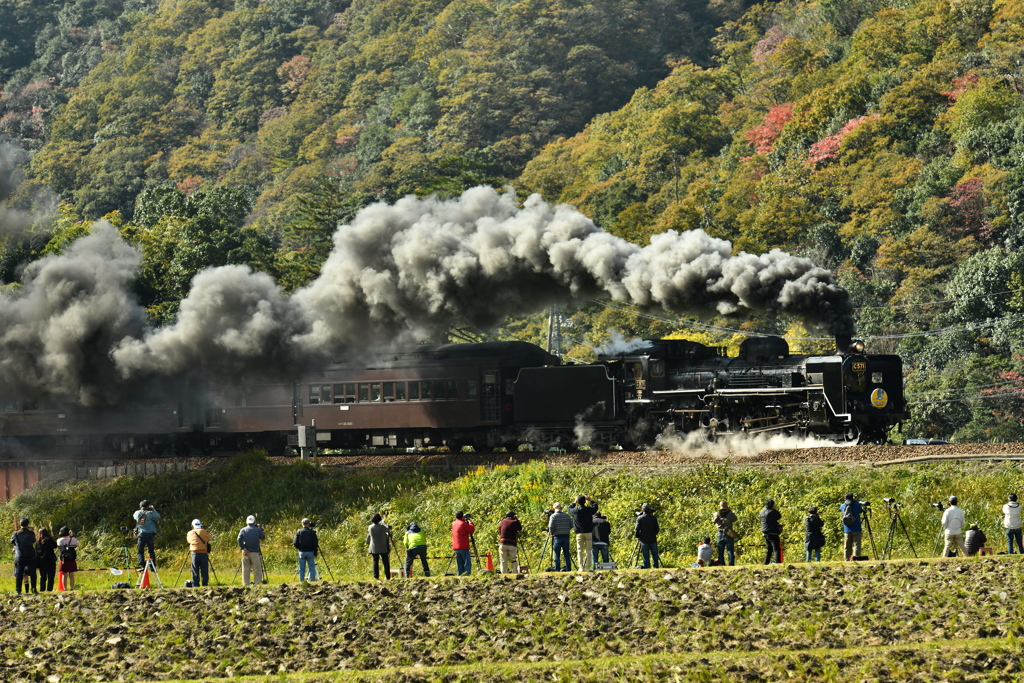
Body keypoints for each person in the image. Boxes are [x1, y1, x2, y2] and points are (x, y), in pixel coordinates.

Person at [568, 495, 598, 571]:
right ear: (585, 502)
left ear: (578, 502)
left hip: (579, 533)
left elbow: (569, 508)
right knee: (589, 550)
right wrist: (591, 500)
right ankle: (588, 567)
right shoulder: (588, 510)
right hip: (588, 532)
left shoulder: (575, 511)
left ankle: (581, 567)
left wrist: (574, 502)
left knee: (580, 550)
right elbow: (595, 507)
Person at [237, 515, 265, 586]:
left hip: (245, 552)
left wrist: (243, 548)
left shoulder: (243, 530)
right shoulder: (257, 530)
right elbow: (263, 537)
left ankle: (246, 584)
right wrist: (259, 528)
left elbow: (239, 539)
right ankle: (258, 584)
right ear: (254, 522)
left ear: (247, 522)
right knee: (257, 569)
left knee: (245, 569)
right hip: (255, 552)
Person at [11, 518, 37, 594]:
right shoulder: (31, 533)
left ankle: (18, 590)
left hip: (20, 555)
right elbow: (33, 541)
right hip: (30, 554)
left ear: (20, 524)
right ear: (28, 524)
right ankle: (34, 589)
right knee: (32, 573)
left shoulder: (16, 533)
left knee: (19, 573)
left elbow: (12, 541)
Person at [133, 499, 161, 570]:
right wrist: (153, 509)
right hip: (150, 534)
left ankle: (142, 565)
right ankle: (153, 566)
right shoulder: (150, 513)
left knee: (140, 551)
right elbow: (158, 517)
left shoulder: (137, 513)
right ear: (148, 506)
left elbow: (135, 517)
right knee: (151, 551)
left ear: (140, 506)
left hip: (141, 534)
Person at [547, 503, 573, 572]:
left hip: (557, 536)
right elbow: (571, 525)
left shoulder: (553, 516)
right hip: (566, 536)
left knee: (557, 554)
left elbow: (551, 527)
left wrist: (552, 533)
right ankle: (568, 568)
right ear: (561, 508)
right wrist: (566, 530)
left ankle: (557, 569)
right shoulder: (567, 515)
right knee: (566, 554)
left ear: (554, 509)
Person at [187, 519, 212, 587]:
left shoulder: (189, 533)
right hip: (203, 553)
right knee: (204, 570)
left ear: (192, 526)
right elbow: (209, 538)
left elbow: (189, 541)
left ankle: (195, 585)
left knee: (195, 570)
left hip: (194, 553)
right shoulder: (203, 531)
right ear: (200, 525)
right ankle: (205, 584)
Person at [634, 503, 660, 569]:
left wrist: (638, 536)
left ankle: (647, 568)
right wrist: (653, 534)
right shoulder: (653, 518)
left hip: (644, 540)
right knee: (655, 555)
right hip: (653, 539)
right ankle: (656, 567)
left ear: (642, 510)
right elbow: (657, 529)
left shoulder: (639, 518)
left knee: (645, 556)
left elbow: (637, 529)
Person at [713, 501, 738, 566]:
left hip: (720, 534)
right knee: (730, 550)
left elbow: (714, 521)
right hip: (728, 534)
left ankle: (721, 564)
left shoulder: (716, 514)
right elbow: (735, 519)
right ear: (727, 506)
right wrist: (729, 510)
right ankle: (731, 564)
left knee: (720, 551)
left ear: (719, 506)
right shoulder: (730, 514)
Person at [367, 513, 391, 580]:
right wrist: (384, 522)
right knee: (385, 561)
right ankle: (388, 576)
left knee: (375, 562)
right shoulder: (382, 527)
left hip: (374, 547)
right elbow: (388, 529)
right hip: (383, 547)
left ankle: (376, 576)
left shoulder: (370, 527)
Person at [451, 511, 475, 576]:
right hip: (463, 546)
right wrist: (470, 522)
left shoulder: (453, 524)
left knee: (460, 564)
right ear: (462, 516)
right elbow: (471, 530)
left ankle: (460, 576)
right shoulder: (463, 524)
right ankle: (467, 576)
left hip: (455, 546)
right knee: (467, 563)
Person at [840, 493, 863, 560]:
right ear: (852, 497)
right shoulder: (856, 504)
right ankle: (856, 559)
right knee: (856, 545)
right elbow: (860, 511)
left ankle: (847, 559)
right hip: (856, 528)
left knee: (847, 546)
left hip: (847, 528)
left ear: (845, 498)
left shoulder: (842, 505)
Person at [761, 499, 783, 564]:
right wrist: (774, 509)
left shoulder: (762, 512)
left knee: (769, 549)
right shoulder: (772, 512)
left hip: (765, 533)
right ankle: (778, 562)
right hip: (772, 532)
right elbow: (779, 516)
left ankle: (766, 563)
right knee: (776, 549)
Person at [35, 528, 58, 592]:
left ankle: (42, 589)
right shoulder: (49, 540)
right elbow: (55, 545)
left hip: (41, 561)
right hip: (50, 560)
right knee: (51, 577)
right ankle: (49, 589)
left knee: (43, 577)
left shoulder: (37, 542)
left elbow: (36, 551)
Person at [57, 526, 79, 591]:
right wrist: (72, 536)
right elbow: (77, 543)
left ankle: (65, 588)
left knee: (64, 574)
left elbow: (58, 545)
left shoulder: (59, 540)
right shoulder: (73, 539)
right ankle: (72, 588)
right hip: (71, 558)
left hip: (63, 559)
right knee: (71, 574)